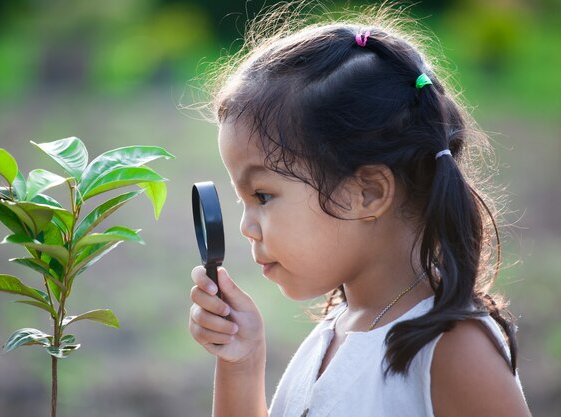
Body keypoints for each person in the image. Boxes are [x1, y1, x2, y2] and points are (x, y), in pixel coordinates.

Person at [188, 4, 531, 416]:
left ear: (368, 193)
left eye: (262, 196)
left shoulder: (453, 351)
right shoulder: (336, 331)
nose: (246, 227)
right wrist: (240, 363)